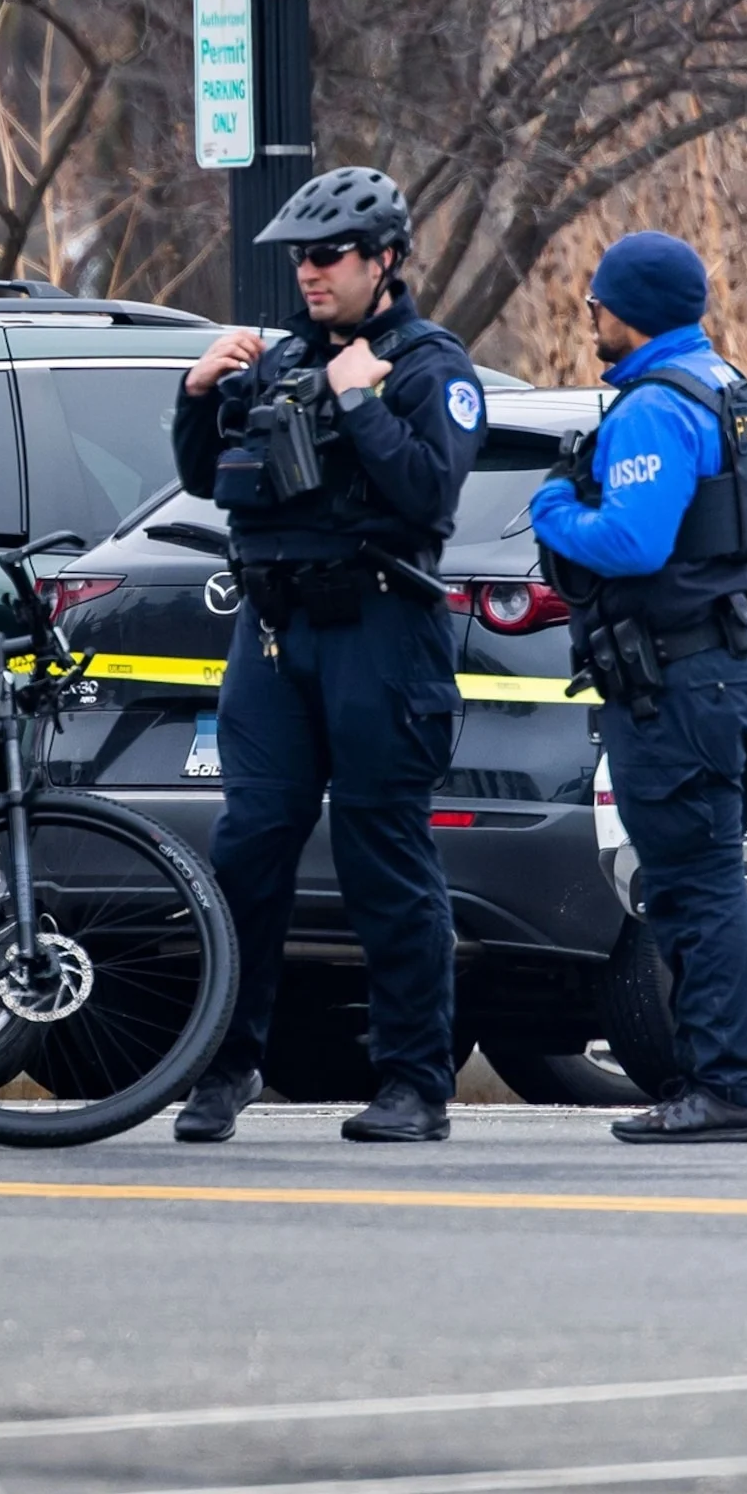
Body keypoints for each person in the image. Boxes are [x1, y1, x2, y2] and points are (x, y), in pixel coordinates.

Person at [168, 166, 484, 1144]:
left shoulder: (432, 367)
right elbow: (206, 479)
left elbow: (428, 494)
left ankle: (414, 1083)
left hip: (379, 632)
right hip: (271, 631)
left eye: (328, 256)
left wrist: (360, 404)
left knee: (381, 853)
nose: (308, 273)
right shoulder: (282, 359)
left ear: (384, 260)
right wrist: (195, 395)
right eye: (299, 258)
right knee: (247, 847)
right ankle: (223, 1068)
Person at [527, 233, 747, 1144]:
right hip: (741, 672)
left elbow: (633, 542)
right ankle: (720, 1080)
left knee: (692, 887)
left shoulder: (649, 408)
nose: (589, 316)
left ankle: (722, 1087)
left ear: (626, 308)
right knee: (707, 879)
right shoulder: (741, 396)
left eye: (594, 302)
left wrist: (552, 508)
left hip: (676, 684)